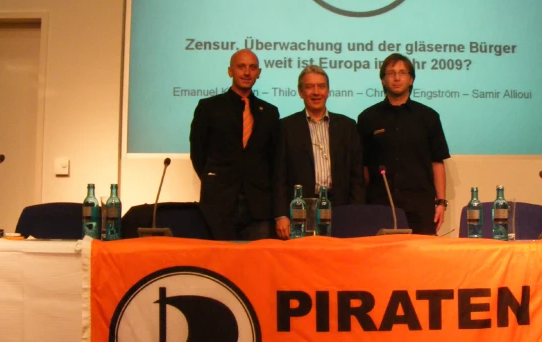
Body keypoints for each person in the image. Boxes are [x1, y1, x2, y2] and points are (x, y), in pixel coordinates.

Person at [189, 49, 280, 240]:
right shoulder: (209, 107)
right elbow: (198, 153)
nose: (247, 72)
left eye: (252, 67)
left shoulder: (270, 112)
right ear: (230, 71)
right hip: (219, 204)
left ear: (259, 73)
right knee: (219, 263)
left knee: (258, 265)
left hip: (259, 207)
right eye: (241, 67)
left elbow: (274, 161)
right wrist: (215, 180)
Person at [357, 53, 451, 235]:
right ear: (383, 80)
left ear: (411, 79)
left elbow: (437, 162)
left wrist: (441, 202)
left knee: (420, 260)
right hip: (380, 205)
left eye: (402, 72)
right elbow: (364, 167)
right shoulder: (367, 118)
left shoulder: (429, 117)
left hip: (419, 206)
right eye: (391, 73)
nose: (397, 78)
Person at [274, 66, 365, 239]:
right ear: (301, 92)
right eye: (309, 87)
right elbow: (279, 176)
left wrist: (356, 213)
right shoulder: (286, 127)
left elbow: (356, 177)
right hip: (300, 212)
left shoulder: (347, 126)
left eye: (321, 86)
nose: (316, 92)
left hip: (341, 209)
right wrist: (281, 215)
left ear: (328, 91)